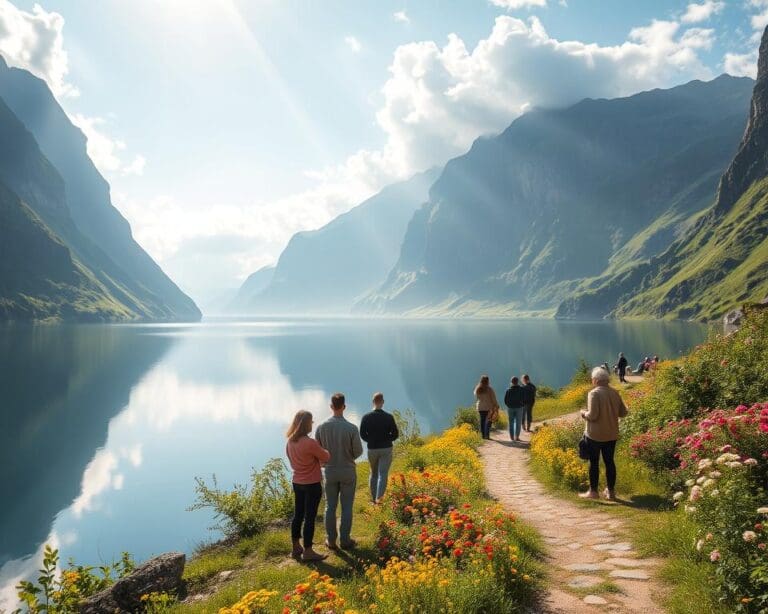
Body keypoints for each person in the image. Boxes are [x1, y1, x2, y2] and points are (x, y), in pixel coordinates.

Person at [315, 393, 363, 550]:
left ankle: (331, 540)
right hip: (348, 470)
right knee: (347, 507)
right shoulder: (352, 428)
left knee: (330, 506)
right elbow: (358, 451)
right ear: (344, 407)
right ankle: (345, 540)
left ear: (331, 406)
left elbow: (317, 450)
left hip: (329, 471)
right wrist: (348, 456)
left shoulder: (321, 427)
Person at [285, 410, 331, 561]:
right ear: (306, 424)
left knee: (298, 515)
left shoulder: (290, 441)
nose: (313, 424)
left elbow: (291, 460)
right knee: (309, 517)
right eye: (311, 421)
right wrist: (322, 451)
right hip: (312, 484)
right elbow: (326, 456)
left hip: (297, 482)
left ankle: (295, 547)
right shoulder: (310, 443)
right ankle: (308, 550)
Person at [579, 367, 628, 501]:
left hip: (594, 435)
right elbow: (623, 413)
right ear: (607, 380)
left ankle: (593, 492)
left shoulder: (594, 393)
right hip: (611, 434)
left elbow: (593, 416)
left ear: (595, 380)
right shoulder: (615, 393)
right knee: (609, 462)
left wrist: (583, 413)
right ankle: (611, 493)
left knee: (594, 462)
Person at [360, 392, 399, 503]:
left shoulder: (366, 417)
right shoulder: (389, 417)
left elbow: (362, 434)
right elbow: (395, 434)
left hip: (372, 449)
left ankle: (373, 499)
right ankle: (379, 500)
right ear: (382, 402)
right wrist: (387, 439)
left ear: (373, 402)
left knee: (373, 473)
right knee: (383, 474)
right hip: (386, 449)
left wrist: (371, 441)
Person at [474, 375, 499, 440]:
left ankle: (482, 436)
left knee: (482, 421)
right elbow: (493, 398)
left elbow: (477, 397)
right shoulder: (489, 389)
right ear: (488, 381)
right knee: (489, 421)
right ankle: (487, 435)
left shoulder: (478, 388)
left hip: (480, 407)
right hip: (488, 408)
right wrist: (496, 405)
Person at [504, 376, 526, 442]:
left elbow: (505, 400)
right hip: (519, 408)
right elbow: (524, 398)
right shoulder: (521, 389)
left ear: (511, 382)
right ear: (517, 382)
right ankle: (517, 437)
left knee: (511, 422)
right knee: (518, 422)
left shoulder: (508, 390)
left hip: (510, 408)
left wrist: (508, 405)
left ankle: (512, 438)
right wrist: (522, 404)